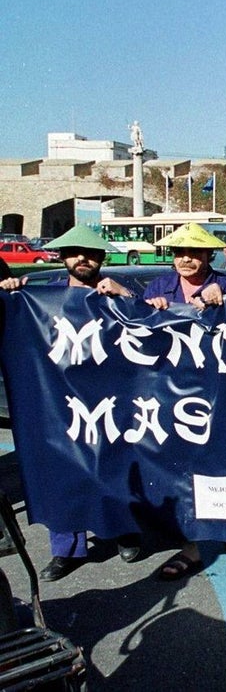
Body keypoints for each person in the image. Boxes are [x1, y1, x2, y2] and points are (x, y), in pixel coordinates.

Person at [0, 225, 140, 581]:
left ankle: (123, 532)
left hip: (112, 397)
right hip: (59, 399)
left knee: (116, 466)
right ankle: (66, 549)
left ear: (101, 258)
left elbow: (148, 323)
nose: (82, 259)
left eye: (90, 253)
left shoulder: (118, 291)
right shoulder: (40, 297)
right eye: (75, 253)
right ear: (63, 258)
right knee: (63, 471)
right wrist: (11, 292)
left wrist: (125, 295)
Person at [138, 223, 226, 581]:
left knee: (222, 461)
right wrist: (149, 309)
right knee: (180, 465)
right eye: (180, 252)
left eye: (195, 252)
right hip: (172, 389)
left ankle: (225, 529)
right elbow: (138, 330)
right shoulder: (158, 287)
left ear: (209, 255)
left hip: (220, 388)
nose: (186, 259)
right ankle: (191, 539)